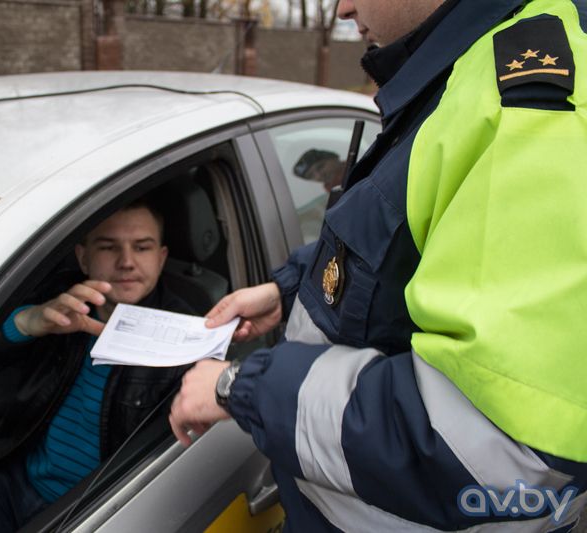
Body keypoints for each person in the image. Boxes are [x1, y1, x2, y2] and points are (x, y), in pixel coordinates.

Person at [170, 0, 587, 531]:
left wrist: (239, 386)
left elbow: (501, 449)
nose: (342, 8)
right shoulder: (465, 71)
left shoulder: (533, 103)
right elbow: (404, 247)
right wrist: (292, 287)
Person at [0, 199, 194, 532]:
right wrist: (27, 322)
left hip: (93, 509)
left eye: (142, 248)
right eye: (108, 247)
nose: (127, 262)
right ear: (82, 258)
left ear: (161, 258)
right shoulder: (59, 300)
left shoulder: (186, 339)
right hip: (14, 479)